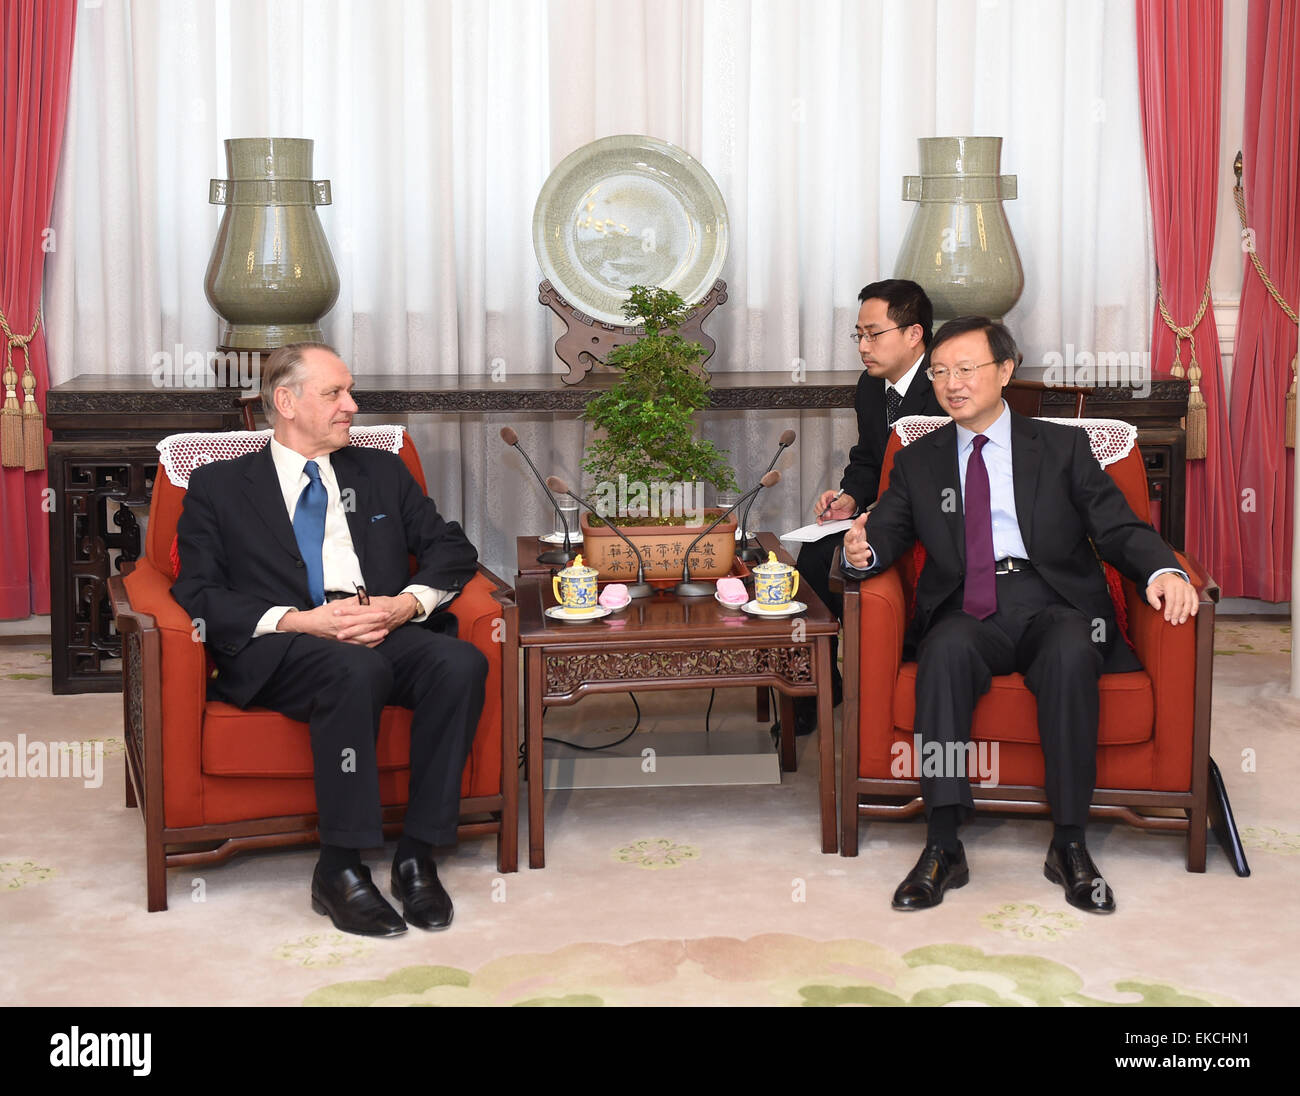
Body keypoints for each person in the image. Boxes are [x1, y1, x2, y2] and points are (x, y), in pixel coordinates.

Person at [841, 316, 1197, 914]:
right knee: (944, 654)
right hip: (966, 607)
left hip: (1053, 601)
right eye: (941, 372)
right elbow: (887, 536)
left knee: (1070, 653)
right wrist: (863, 550)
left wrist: (1164, 570)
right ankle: (943, 842)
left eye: (967, 369)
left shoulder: (1060, 448)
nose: (952, 384)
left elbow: (1118, 527)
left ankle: (1070, 842)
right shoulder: (920, 459)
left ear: (1005, 372)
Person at [172, 343, 487, 938]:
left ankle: (417, 855)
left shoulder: (379, 471)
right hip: (290, 642)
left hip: (378, 622)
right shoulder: (218, 486)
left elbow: (451, 547)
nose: (352, 405)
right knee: (354, 672)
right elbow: (198, 592)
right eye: (334, 393)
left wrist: (405, 605)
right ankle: (339, 869)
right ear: (286, 402)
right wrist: (298, 619)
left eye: (349, 392)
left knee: (459, 664)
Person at [793, 279, 943, 735]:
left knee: (837, 556)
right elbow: (868, 458)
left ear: (914, 334)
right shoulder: (870, 386)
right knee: (813, 556)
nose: (863, 346)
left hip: (935, 518)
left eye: (873, 334)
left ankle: (862, 681)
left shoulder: (946, 385)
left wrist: (881, 511)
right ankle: (823, 680)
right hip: (879, 513)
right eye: (858, 334)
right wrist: (848, 499)